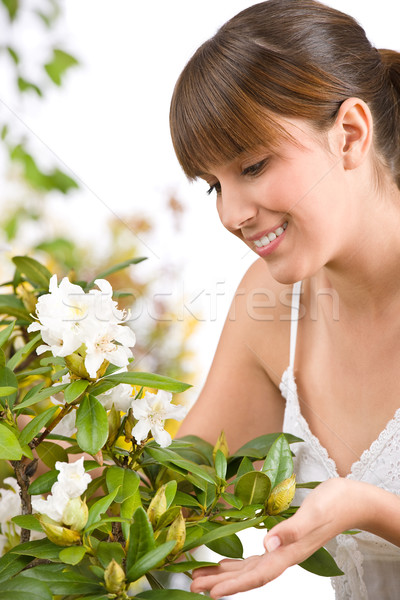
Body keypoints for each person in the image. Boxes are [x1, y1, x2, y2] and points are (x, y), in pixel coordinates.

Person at [169, 0, 400, 598]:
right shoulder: (272, 307)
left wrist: (371, 509)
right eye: (215, 185)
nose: (231, 213)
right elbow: (170, 492)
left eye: (253, 165)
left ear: (349, 134)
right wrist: (43, 450)